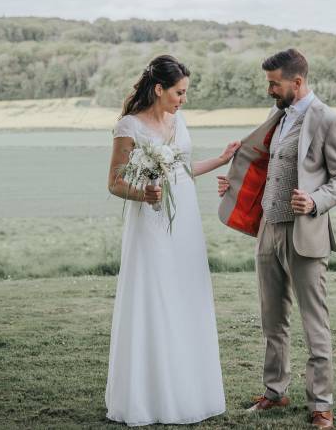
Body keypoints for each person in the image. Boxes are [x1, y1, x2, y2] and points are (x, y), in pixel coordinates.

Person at [217, 48, 336, 429]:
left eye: (274, 84)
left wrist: (314, 200)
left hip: (306, 234)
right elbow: (266, 168)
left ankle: (321, 404)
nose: (269, 90)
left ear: (297, 82)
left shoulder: (328, 120)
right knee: (272, 320)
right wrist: (235, 185)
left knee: (315, 323)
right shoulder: (276, 118)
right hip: (268, 230)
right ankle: (275, 392)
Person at [105, 54, 240, 426]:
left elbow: (182, 170)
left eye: (185, 93)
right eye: (179, 92)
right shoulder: (129, 126)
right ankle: (149, 395)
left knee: (185, 296)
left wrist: (222, 159)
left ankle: (188, 390)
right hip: (150, 222)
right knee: (154, 296)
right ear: (159, 88)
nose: (183, 99)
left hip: (185, 220)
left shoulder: (178, 120)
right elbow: (115, 182)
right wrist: (142, 195)